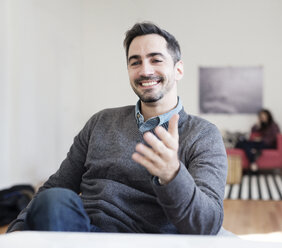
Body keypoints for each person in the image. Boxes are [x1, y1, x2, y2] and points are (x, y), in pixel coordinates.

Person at [7, 22, 227, 235]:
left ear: (178, 69)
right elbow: (58, 185)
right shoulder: (101, 122)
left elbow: (207, 224)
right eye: (135, 62)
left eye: (156, 60)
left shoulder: (203, 135)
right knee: (54, 199)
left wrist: (173, 175)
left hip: (141, 239)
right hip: (81, 233)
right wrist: (16, 231)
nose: (145, 70)